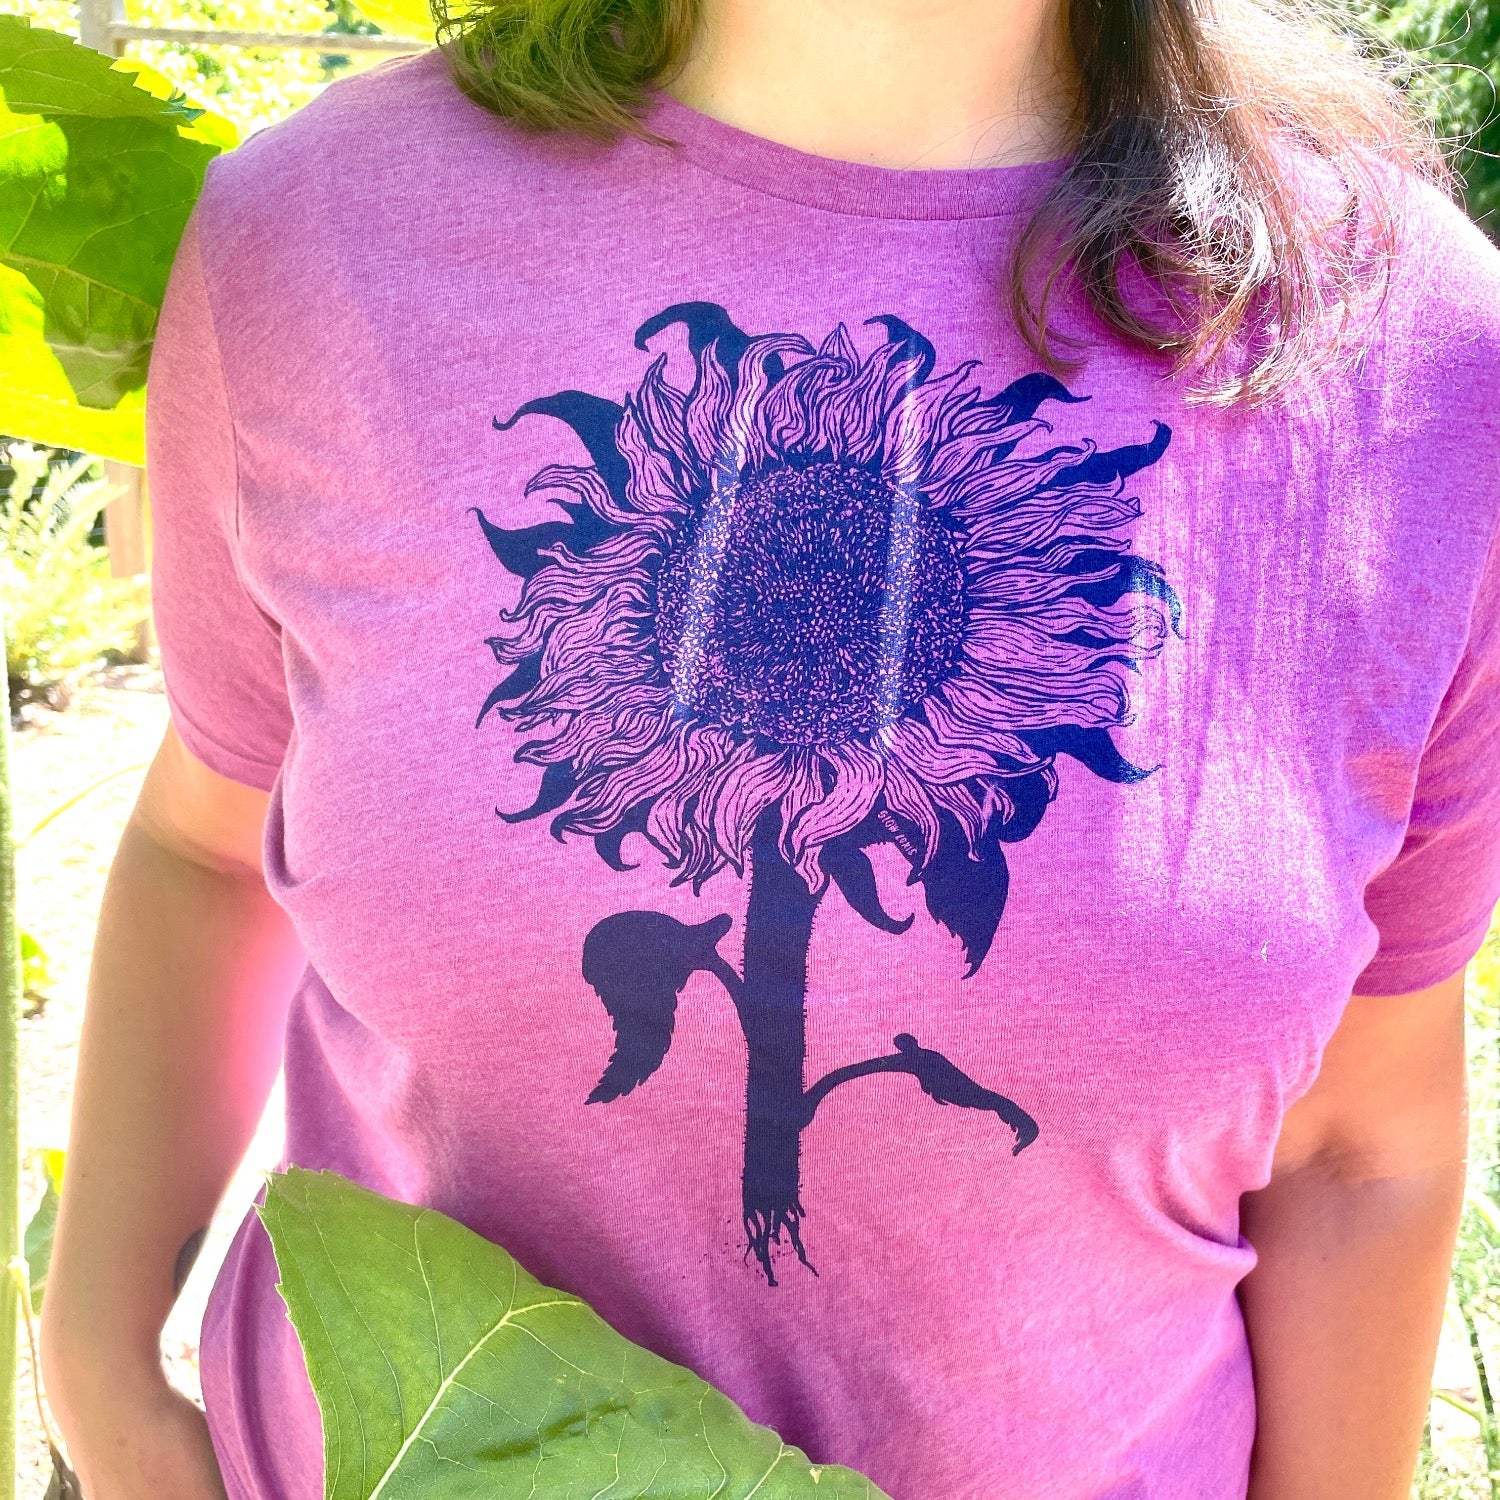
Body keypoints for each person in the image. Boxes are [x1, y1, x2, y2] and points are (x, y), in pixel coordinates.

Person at [37, 0, 1500, 1495]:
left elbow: (1359, 1142)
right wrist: (94, 1362)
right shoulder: (317, 239)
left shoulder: (1411, 347)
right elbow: (212, 835)